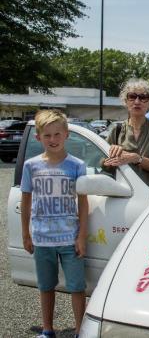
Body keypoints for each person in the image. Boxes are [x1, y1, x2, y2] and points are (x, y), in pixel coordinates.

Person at [20, 109, 88, 338]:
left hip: (70, 238)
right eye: (47, 135)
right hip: (42, 238)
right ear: (38, 137)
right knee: (46, 286)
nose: (53, 139)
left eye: (57, 134)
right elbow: (26, 201)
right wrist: (26, 235)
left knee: (77, 287)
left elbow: (83, 203)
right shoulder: (31, 166)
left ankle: (80, 330)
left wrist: (81, 237)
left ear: (66, 134)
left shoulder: (77, 165)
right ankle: (48, 329)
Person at [104, 78, 149, 200]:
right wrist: (110, 159)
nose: (137, 101)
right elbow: (102, 163)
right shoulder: (116, 130)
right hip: (123, 198)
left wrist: (136, 158)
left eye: (143, 97)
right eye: (132, 96)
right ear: (125, 100)